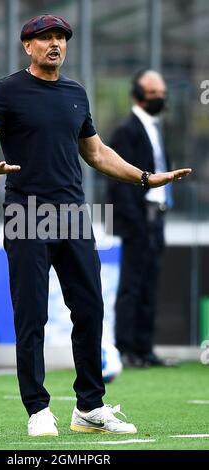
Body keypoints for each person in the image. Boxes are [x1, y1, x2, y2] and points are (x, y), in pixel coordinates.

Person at [0, 15, 191, 437]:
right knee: (31, 315)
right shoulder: (6, 90)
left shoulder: (76, 93)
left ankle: (90, 407)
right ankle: (37, 409)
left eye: (60, 38)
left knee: (90, 310)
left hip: (73, 215)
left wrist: (146, 177)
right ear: (27, 46)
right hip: (27, 213)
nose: (55, 44)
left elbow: (98, 153)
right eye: (45, 38)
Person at [108, 69, 174, 368]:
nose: (160, 98)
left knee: (150, 283)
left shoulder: (155, 128)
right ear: (138, 94)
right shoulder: (127, 130)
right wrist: (134, 222)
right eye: (153, 93)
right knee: (132, 285)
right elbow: (117, 181)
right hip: (137, 219)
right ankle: (126, 348)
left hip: (156, 217)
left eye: (162, 93)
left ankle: (145, 348)